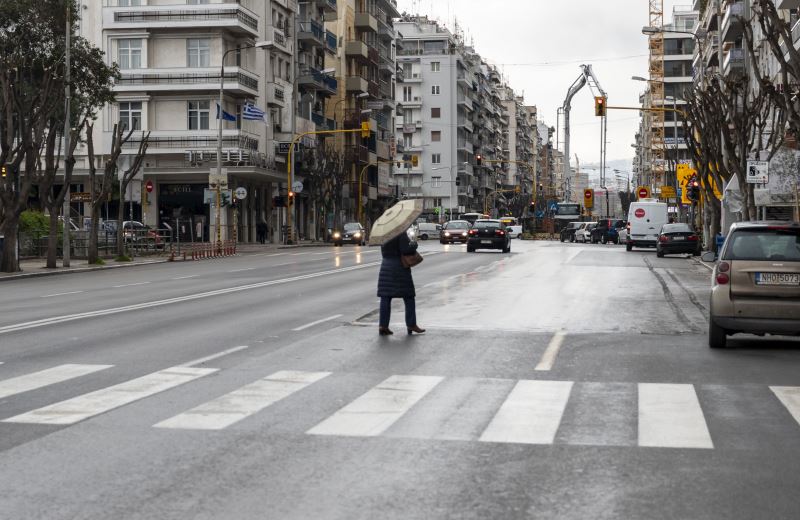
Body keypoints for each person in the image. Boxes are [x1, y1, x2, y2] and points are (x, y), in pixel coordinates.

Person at [377, 229, 425, 336]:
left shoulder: (384, 233)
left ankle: (383, 326)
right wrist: (414, 243)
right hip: (399, 267)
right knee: (409, 296)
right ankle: (411, 324)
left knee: (385, 297)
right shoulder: (400, 232)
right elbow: (406, 249)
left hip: (385, 266)